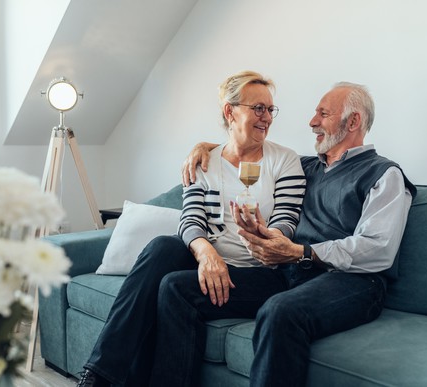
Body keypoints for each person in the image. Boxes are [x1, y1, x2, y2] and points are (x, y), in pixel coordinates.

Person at [178, 81, 417, 387]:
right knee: (178, 288)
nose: (312, 121)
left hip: (355, 282)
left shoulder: (384, 175)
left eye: (323, 113)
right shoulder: (307, 167)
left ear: (353, 121)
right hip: (291, 273)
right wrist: (204, 147)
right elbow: (248, 148)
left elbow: (378, 249)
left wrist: (302, 252)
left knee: (279, 311)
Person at [76, 70, 305, 387]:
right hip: (211, 260)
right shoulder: (204, 161)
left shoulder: (284, 160)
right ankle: (98, 377)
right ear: (230, 111)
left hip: (260, 271)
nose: (267, 117)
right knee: (162, 247)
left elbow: (287, 221)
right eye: (258, 108)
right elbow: (190, 219)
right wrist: (207, 252)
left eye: (270, 109)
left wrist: (266, 235)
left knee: (173, 286)